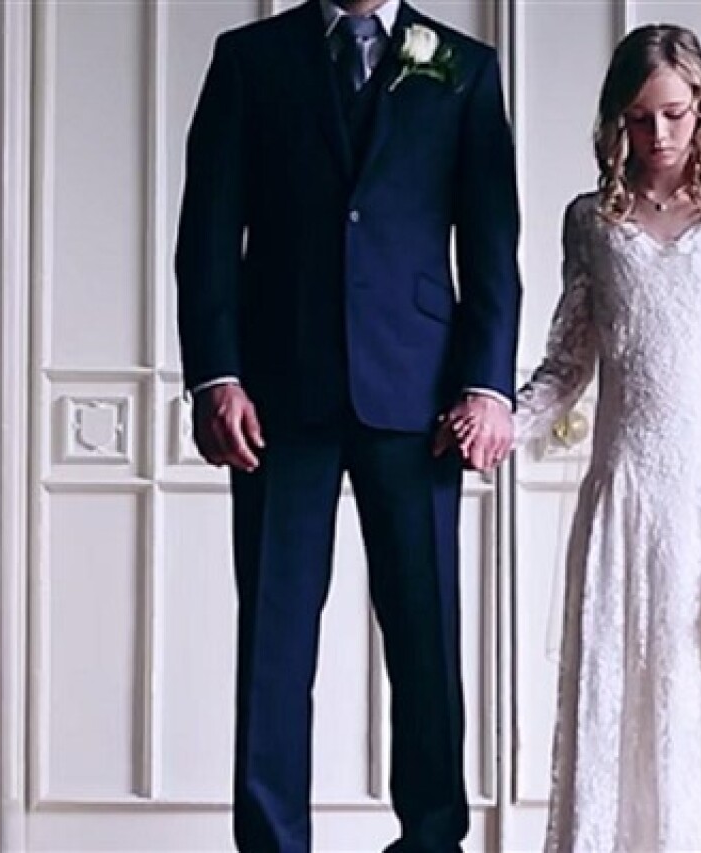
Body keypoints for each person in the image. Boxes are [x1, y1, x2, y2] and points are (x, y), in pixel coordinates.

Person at [174, 0, 521, 850]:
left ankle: (433, 839)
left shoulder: (464, 68)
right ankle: (272, 841)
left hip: (419, 398)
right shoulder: (249, 59)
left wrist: (487, 384)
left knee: (426, 637)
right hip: (276, 396)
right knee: (274, 643)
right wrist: (216, 374)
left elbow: (491, 242)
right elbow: (208, 231)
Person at [460, 22, 701, 851]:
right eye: (641, 119)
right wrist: (500, 421)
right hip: (625, 493)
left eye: (675, 115)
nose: (659, 136)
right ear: (618, 119)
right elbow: (567, 364)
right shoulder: (592, 221)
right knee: (622, 680)